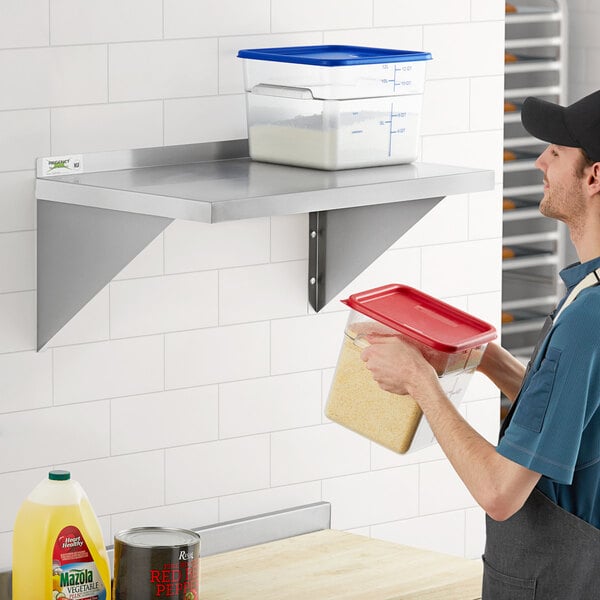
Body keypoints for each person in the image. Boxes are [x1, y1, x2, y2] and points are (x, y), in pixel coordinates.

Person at [361, 90, 600, 599]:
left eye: (556, 152)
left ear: (594, 177)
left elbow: (499, 492)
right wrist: (486, 358)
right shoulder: (591, 293)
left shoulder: (587, 320)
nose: (540, 160)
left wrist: (419, 381)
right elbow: (569, 416)